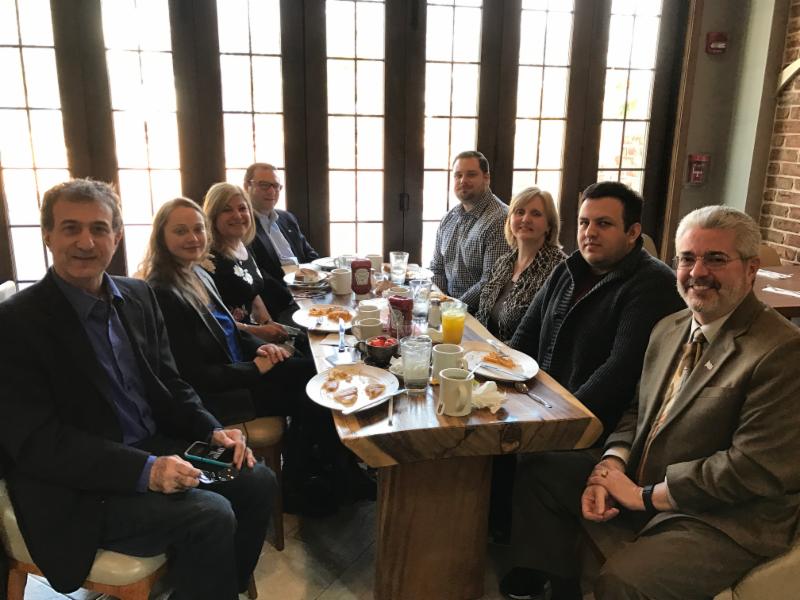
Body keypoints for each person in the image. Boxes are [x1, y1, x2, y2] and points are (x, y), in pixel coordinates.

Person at [502, 205, 800, 600]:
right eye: (687, 259)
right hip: (643, 475)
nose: (697, 272)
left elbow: (751, 470)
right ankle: (561, 589)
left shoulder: (781, 351)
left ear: (751, 269)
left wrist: (645, 495)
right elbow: (637, 410)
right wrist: (610, 466)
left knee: (624, 582)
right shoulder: (669, 328)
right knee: (541, 471)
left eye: (715, 259)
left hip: (721, 514)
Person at [0, 179, 275, 600]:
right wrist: (146, 470)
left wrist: (212, 428)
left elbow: (171, 382)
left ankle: (216, 588)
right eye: (71, 228)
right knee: (210, 513)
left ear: (117, 236)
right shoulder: (17, 322)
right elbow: (39, 443)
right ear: (48, 236)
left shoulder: (138, 295)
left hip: (156, 445)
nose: (86, 242)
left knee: (257, 481)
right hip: (81, 486)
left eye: (99, 228)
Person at [139, 197, 357, 515]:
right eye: (181, 231)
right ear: (161, 236)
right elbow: (193, 375)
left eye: (198, 229)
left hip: (238, 369)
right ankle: (299, 486)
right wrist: (255, 368)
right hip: (220, 394)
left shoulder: (196, 272)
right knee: (314, 393)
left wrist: (259, 347)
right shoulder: (162, 291)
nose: (193, 238)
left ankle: (328, 470)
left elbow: (228, 328)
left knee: (318, 373)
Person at [510, 181, 683, 437]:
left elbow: (619, 372)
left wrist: (558, 422)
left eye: (603, 224)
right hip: (541, 408)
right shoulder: (567, 269)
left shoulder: (653, 283)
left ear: (633, 232)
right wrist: (502, 390)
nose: (589, 232)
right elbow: (524, 336)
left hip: (592, 430)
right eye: (584, 223)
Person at [202, 181, 290, 344]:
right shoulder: (207, 259)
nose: (237, 215)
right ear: (213, 216)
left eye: (242, 208)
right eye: (227, 210)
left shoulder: (243, 246)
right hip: (231, 342)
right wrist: (258, 332)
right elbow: (210, 320)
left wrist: (268, 323)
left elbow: (253, 293)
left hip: (255, 336)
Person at [475, 186, 566, 342]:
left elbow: (547, 336)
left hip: (520, 355)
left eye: (536, 214)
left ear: (549, 225)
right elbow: (482, 314)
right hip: (484, 349)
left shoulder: (559, 269)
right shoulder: (503, 262)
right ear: (510, 220)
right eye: (519, 212)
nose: (525, 219)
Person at [430, 150, 509, 313]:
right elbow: (436, 268)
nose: (463, 181)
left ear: (486, 178)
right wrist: (439, 304)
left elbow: (490, 283)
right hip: (447, 311)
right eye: (458, 175)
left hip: (478, 316)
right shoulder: (448, 219)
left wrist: (452, 309)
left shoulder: (500, 219)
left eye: (471, 175)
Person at [244, 163, 318, 321]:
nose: (272, 191)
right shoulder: (244, 226)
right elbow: (259, 276)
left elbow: (309, 254)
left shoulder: (287, 218)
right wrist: (297, 295)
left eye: (276, 186)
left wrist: (319, 278)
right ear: (246, 186)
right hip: (281, 304)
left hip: (311, 290)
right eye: (264, 185)